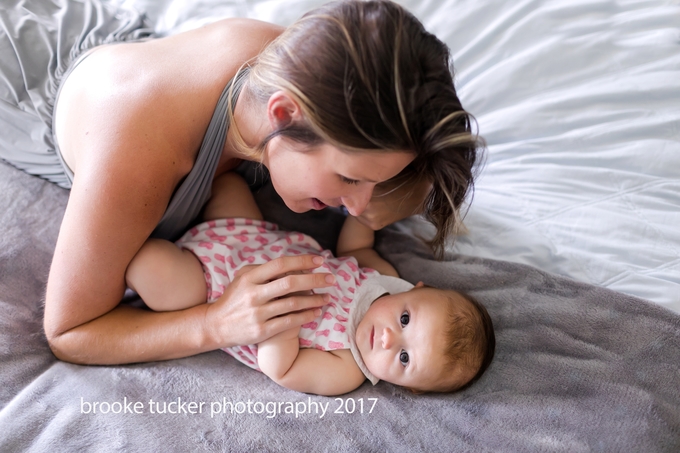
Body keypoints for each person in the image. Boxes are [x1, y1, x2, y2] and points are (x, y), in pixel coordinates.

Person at [0, 0, 483, 364]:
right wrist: (214, 324)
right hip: (23, 72)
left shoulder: (314, 70)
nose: (356, 208)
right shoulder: (138, 152)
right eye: (349, 179)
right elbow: (70, 332)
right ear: (284, 114)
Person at [126, 172, 495, 395]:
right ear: (415, 289)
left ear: (406, 386)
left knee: (147, 262)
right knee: (227, 181)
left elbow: (282, 370)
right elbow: (356, 246)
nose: (387, 338)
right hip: (251, 235)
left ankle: (114, 253)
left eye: (403, 357)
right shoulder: (384, 282)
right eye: (404, 320)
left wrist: (287, 323)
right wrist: (368, 212)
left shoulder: (345, 369)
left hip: (212, 287)